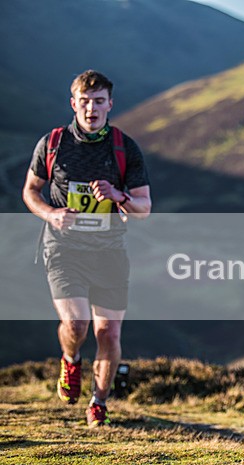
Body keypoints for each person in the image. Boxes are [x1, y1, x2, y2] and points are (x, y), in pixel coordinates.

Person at [22, 70, 152, 427]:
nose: (91, 109)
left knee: (108, 333)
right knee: (76, 323)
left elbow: (143, 208)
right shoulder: (53, 143)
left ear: (110, 104)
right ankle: (70, 358)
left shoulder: (125, 148)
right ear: (73, 104)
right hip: (64, 249)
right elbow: (31, 190)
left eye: (98, 101)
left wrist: (118, 195)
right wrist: (51, 213)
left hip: (109, 252)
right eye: (84, 101)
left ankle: (98, 402)